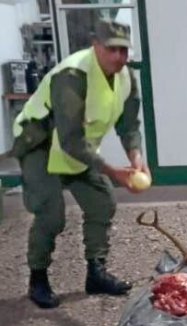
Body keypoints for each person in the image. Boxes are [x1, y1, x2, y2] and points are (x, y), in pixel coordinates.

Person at [11, 19, 150, 308]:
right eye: (111, 49)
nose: (118, 57)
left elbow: (129, 126)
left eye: (123, 50)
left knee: (102, 202)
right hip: (42, 145)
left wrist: (136, 158)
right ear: (95, 45)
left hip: (77, 148)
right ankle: (38, 278)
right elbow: (70, 139)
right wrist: (113, 171)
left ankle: (95, 273)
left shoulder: (126, 77)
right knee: (51, 215)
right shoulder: (73, 75)